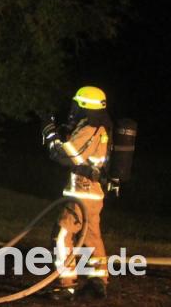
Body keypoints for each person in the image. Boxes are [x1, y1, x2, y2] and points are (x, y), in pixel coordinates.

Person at [42, 86, 112, 300]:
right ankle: (98, 280)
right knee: (91, 237)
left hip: (83, 192)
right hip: (92, 193)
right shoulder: (96, 126)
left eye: (77, 104)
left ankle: (66, 284)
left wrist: (49, 132)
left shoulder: (91, 127)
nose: (72, 109)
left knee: (62, 234)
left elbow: (64, 156)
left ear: (85, 107)